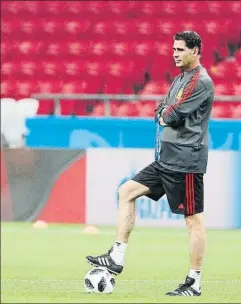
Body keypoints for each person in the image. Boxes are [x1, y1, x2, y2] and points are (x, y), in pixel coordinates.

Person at [86, 30, 214, 297]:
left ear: (195, 51)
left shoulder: (199, 81)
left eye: (180, 50)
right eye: (174, 49)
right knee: (126, 191)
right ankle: (117, 257)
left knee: (193, 220)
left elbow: (172, 115)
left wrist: (164, 113)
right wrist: (164, 112)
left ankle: (194, 282)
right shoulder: (180, 79)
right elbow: (161, 110)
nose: (175, 54)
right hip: (166, 159)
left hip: (185, 161)